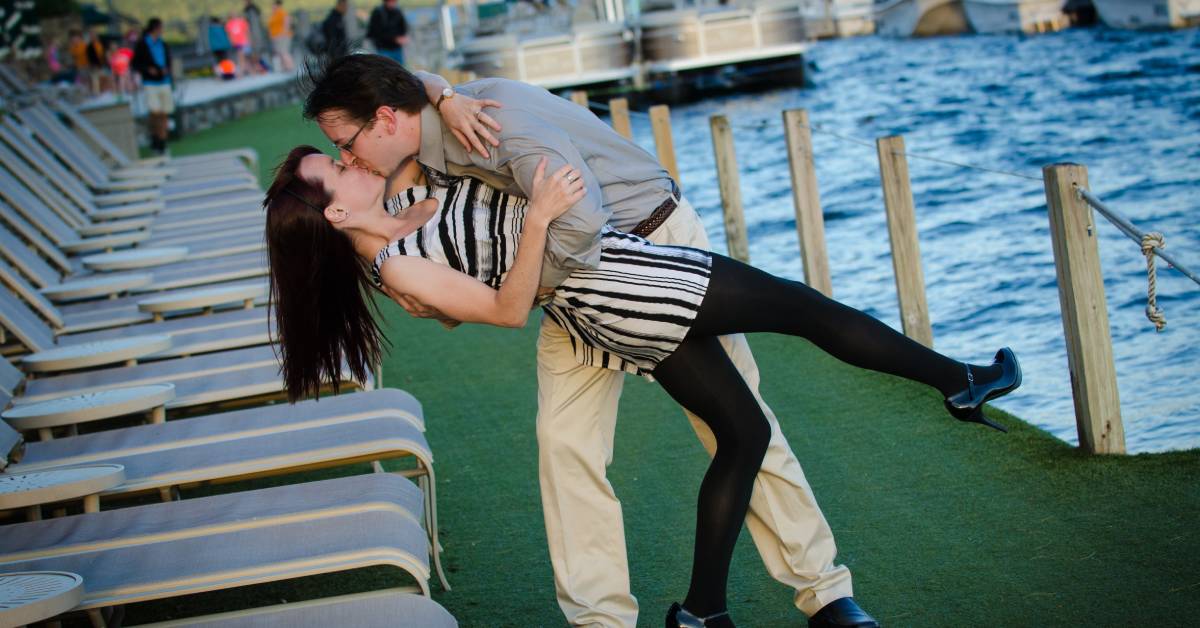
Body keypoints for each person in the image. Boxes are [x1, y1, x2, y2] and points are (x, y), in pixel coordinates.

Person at [291, 54, 1009, 628]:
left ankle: (821, 592)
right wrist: (513, 281)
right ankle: (610, 620)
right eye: (337, 157)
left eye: (346, 144)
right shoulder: (406, 169)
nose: (347, 156)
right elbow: (520, 248)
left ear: (387, 119)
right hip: (587, 282)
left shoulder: (485, 124)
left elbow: (573, 221)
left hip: (645, 244)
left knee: (743, 424)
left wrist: (444, 97)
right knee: (571, 446)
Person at [131, 17, 174, 155]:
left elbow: (168, 60)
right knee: (155, 113)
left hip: (164, 81)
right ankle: (157, 141)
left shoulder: (163, 44)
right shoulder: (143, 44)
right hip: (150, 82)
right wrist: (148, 69)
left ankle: (163, 142)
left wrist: (167, 69)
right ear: (155, 28)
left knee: (164, 113)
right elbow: (135, 63)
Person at [367, 0, 408, 66]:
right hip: (383, 49)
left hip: (397, 49)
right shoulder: (378, 12)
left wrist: (403, 37)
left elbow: (403, 28)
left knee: (400, 70)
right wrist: (394, 39)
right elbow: (374, 33)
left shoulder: (398, 12)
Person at [268, 0, 295, 72]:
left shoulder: (281, 12)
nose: (272, 6)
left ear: (277, 5)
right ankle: (285, 68)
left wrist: (283, 32)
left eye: (273, 5)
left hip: (282, 36)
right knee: (280, 53)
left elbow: (287, 20)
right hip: (276, 37)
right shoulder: (274, 14)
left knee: (284, 52)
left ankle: (290, 67)